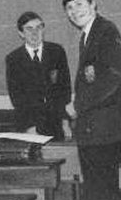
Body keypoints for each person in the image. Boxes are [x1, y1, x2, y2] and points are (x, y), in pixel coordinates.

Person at [62, 0, 121, 200]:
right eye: (69, 8)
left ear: (94, 4)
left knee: (105, 194)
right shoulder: (88, 35)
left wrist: (77, 106)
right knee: (96, 193)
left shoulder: (106, 30)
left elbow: (111, 81)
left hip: (105, 128)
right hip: (93, 129)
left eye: (80, 5)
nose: (74, 11)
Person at [6, 11, 72, 140]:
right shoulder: (13, 59)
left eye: (38, 27)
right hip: (29, 125)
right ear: (21, 33)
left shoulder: (57, 52)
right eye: (29, 29)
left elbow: (65, 90)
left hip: (56, 123)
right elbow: (17, 97)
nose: (34, 33)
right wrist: (30, 127)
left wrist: (65, 123)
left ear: (43, 29)